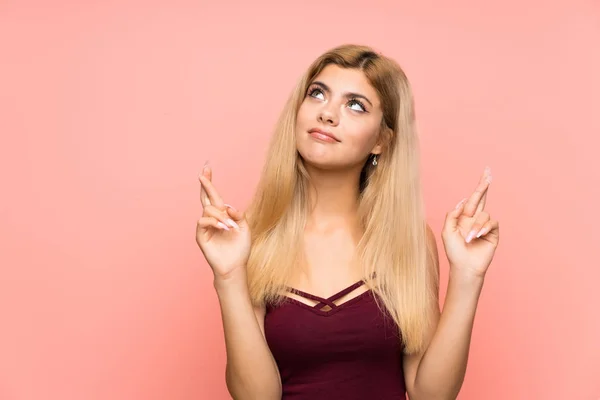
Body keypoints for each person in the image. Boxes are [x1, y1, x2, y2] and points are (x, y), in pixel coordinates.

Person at [196, 44, 500, 400]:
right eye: (317, 94)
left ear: (382, 142)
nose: (327, 114)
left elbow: (429, 394)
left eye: (355, 105)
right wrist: (229, 276)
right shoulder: (251, 238)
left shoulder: (409, 242)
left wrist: (468, 277)